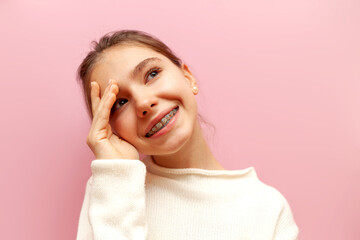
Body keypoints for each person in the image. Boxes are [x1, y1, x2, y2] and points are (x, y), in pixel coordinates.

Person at [75, 30, 299, 240]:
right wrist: (118, 176)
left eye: (152, 74)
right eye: (120, 103)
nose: (144, 103)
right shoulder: (110, 189)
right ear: (111, 127)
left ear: (188, 77)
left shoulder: (267, 207)